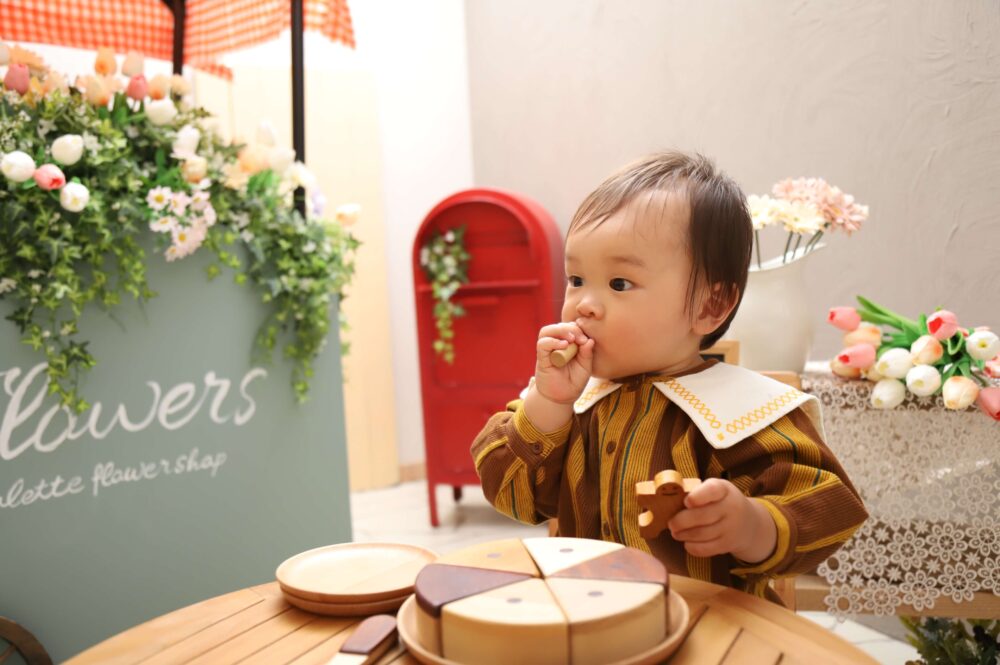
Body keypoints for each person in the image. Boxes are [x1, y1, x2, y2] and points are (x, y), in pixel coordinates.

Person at [470, 151, 868, 601]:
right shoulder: (571, 406)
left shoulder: (745, 413)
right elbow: (508, 494)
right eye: (576, 279)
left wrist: (751, 525)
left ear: (709, 306)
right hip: (591, 617)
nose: (584, 305)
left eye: (619, 284)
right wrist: (549, 403)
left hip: (708, 622)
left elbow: (831, 509)